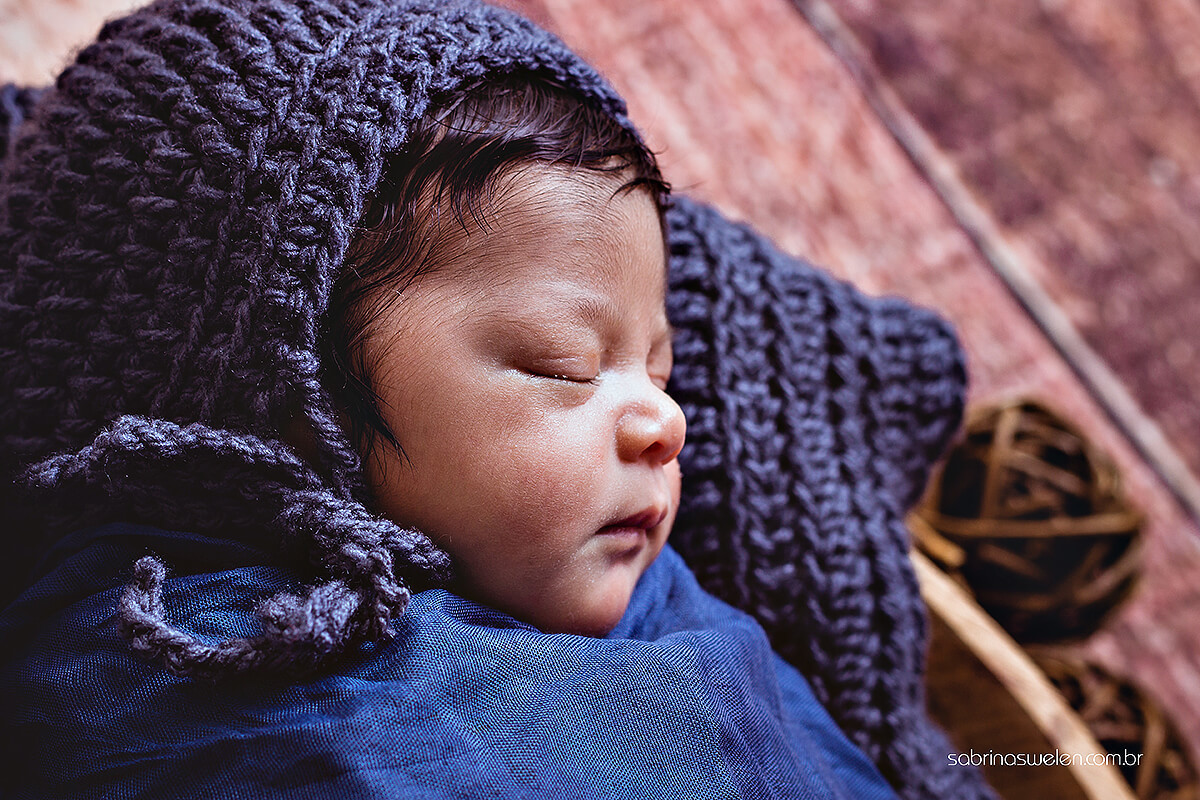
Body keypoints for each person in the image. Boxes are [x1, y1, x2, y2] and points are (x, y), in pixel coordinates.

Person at [0, 0, 997, 798]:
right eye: (565, 364)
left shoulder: (644, 606)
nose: (668, 419)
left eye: (659, 367)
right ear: (279, 392)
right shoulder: (186, 669)